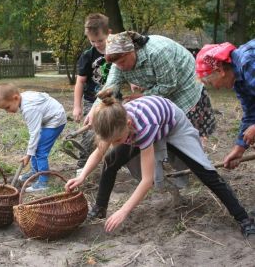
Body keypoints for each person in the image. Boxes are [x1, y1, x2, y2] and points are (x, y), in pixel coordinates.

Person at [65, 90, 255, 237]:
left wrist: (123, 211)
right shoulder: (110, 121)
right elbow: (99, 153)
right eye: (113, 141)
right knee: (110, 161)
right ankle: (99, 209)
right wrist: (82, 176)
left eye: (119, 139)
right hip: (144, 125)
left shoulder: (143, 127)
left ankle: (244, 219)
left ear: (129, 123)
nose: (116, 144)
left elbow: (147, 181)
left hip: (173, 125)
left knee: (205, 171)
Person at [84, 31, 216, 219]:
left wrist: (144, 96)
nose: (120, 67)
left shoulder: (158, 52)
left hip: (183, 89)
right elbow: (110, 87)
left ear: (131, 52)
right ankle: (162, 172)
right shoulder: (118, 62)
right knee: (145, 145)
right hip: (153, 99)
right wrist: (96, 111)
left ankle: (186, 174)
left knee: (179, 142)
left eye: (122, 62)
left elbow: (169, 84)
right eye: (116, 64)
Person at [0, 83, 66, 192]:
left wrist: (28, 155)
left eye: (7, 107)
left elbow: (35, 134)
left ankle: (43, 182)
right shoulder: (22, 99)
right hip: (49, 118)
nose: (8, 111)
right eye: (5, 109)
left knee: (40, 150)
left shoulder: (29, 109)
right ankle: (35, 171)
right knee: (36, 146)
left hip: (55, 120)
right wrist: (30, 152)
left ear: (16, 98)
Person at [195, 40, 255, 168]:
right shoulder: (238, 81)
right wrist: (239, 149)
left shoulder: (248, 63)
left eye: (211, 83)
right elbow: (251, 114)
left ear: (220, 70)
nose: (216, 88)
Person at [72, 13, 112, 168]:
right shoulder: (88, 55)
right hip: (91, 99)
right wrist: (77, 106)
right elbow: (80, 81)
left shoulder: (118, 50)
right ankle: (82, 165)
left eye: (100, 40)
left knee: (115, 130)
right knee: (90, 133)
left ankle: (114, 162)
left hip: (114, 98)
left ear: (109, 33)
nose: (97, 44)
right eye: (92, 41)